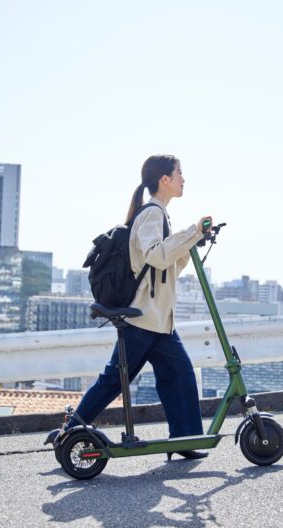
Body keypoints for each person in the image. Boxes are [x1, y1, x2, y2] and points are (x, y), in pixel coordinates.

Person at [75, 154, 212, 460]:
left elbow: (167, 269)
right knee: (115, 379)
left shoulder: (160, 214)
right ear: (165, 179)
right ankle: (70, 430)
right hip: (143, 319)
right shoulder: (152, 214)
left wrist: (192, 241)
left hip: (157, 320)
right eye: (179, 173)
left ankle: (184, 439)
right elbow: (156, 256)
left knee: (179, 377)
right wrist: (192, 232)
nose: (183, 179)